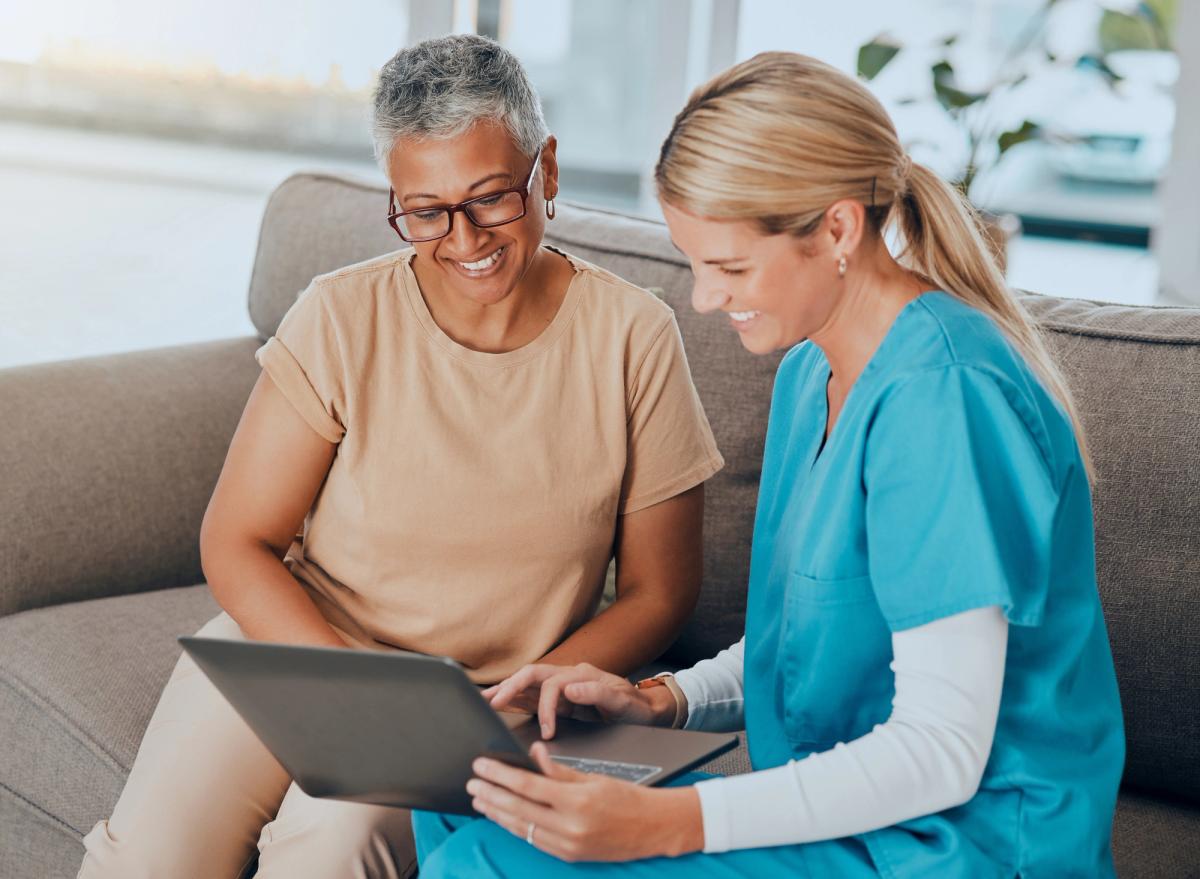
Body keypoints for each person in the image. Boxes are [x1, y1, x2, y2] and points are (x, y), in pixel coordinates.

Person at [412, 51, 1126, 878]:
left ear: (836, 229)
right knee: (462, 786)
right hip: (842, 816)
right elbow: (819, 634)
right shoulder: (811, 370)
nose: (704, 300)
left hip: (960, 848)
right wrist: (661, 699)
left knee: (488, 863)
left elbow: (941, 750)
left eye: (730, 267)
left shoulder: (945, 400)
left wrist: (663, 820)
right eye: (695, 264)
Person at [78, 35, 723, 879]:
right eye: (425, 211)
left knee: (329, 847)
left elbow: (660, 590)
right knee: (151, 861)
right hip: (296, 647)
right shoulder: (342, 315)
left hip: (474, 699)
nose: (464, 239)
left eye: (492, 198)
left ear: (548, 172)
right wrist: (348, 684)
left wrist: (532, 689)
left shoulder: (635, 336)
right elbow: (237, 541)